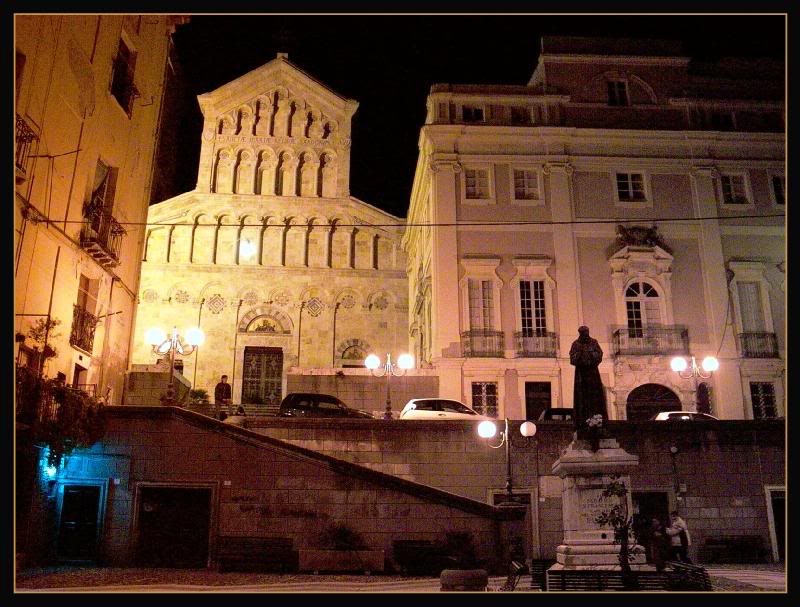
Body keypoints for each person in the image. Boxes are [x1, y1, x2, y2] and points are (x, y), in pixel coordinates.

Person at [569, 326, 608, 431]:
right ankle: (582, 421)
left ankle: (598, 420)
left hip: (592, 373)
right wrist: (580, 353)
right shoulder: (576, 344)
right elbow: (572, 359)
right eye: (582, 333)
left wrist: (590, 353)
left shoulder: (594, 343)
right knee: (581, 397)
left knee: (595, 396)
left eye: (585, 332)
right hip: (581, 374)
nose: (584, 334)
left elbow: (599, 355)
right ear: (580, 333)